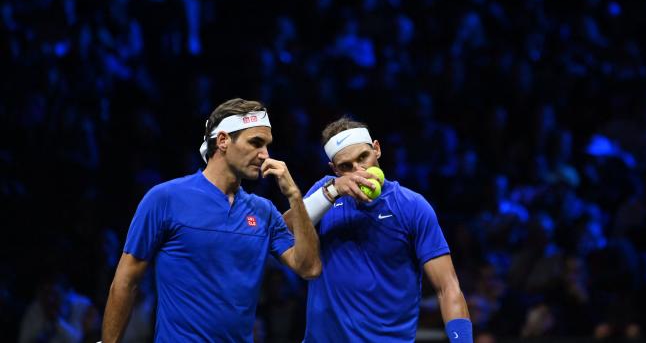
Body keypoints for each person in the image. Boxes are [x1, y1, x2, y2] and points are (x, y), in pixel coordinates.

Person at [101, 98, 321, 342]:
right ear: (223, 141)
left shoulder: (264, 211)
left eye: (267, 145)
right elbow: (125, 280)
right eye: (255, 143)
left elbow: (309, 267)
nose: (265, 155)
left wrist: (294, 196)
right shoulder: (164, 199)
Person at [284, 116, 472, 342]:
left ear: (377, 149)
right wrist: (331, 193)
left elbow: (448, 288)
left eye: (363, 157)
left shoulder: (412, 206)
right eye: (346, 166)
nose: (359, 170)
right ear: (334, 169)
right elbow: (281, 230)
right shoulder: (323, 194)